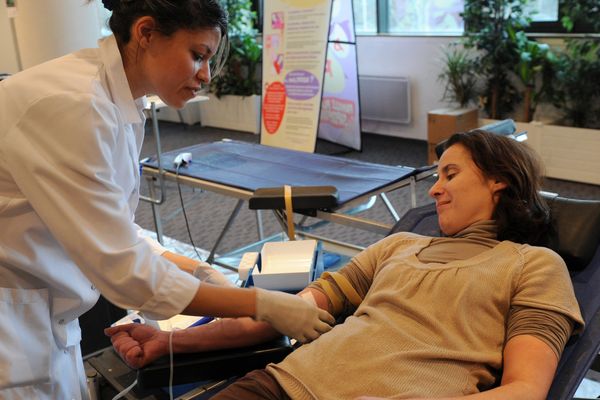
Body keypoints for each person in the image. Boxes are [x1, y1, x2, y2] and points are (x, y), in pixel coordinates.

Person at [0, 1, 334, 398]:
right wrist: (261, 304)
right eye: (197, 56)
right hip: (14, 329)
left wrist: (191, 268)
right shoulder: (73, 105)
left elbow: (112, 227)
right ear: (146, 33)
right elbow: (125, 270)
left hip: (42, 322)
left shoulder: (117, 101)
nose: (206, 75)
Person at [107, 130, 584, 400]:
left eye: (451, 175)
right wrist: (172, 341)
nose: (436, 189)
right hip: (282, 385)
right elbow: (278, 315)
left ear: (499, 182)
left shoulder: (533, 265)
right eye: (437, 176)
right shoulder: (398, 246)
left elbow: (526, 390)